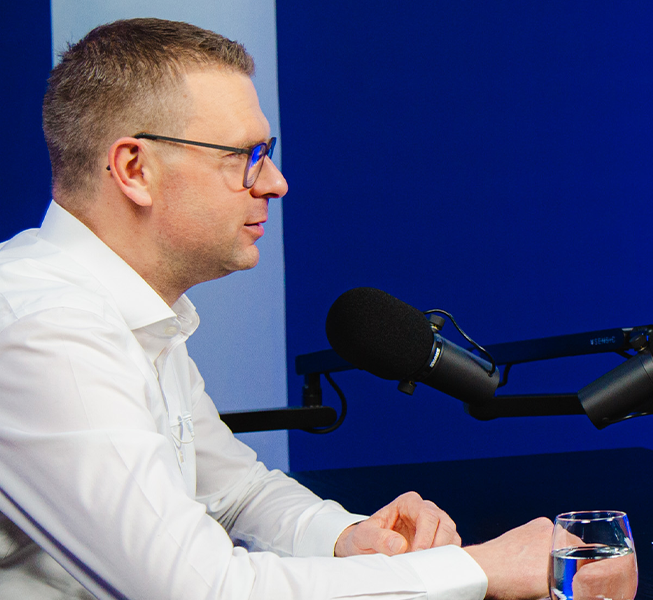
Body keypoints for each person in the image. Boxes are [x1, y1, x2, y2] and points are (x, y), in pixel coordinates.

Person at [0, 18, 550, 599]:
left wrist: (349, 538)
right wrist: (481, 569)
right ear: (136, 169)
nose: (276, 182)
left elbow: (234, 493)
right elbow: (200, 590)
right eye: (246, 155)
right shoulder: (47, 331)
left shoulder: (131, 314)